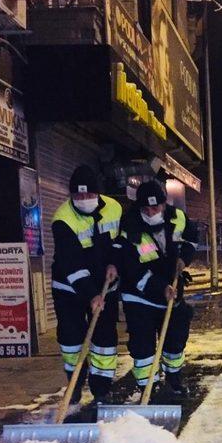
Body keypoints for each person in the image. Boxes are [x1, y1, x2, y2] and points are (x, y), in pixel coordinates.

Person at [119, 180, 197, 397]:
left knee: (175, 338)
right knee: (143, 347)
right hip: (139, 294)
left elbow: (192, 239)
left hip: (171, 291)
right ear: (139, 208)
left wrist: (185, 259)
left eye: (156, 208)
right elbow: (131, 270)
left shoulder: (178, 217)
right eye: (146, 209)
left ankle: (173, 378)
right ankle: (148, 388)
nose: (152, 212)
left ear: (165, 204)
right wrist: (159, 287)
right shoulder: (129, 227)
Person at [51, 165, 122, 404]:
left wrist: (115, 264)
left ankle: (101, 389)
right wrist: (91, 294)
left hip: (106, 286)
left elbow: (119, 243)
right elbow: (71, 263)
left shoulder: (114, 208)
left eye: (89, 195)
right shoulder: (63, 219)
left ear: (98, 194)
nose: (83, 200)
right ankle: (75, 384)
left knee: (104, 338)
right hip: (69, 288)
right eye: (78, 196)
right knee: (71, 338)